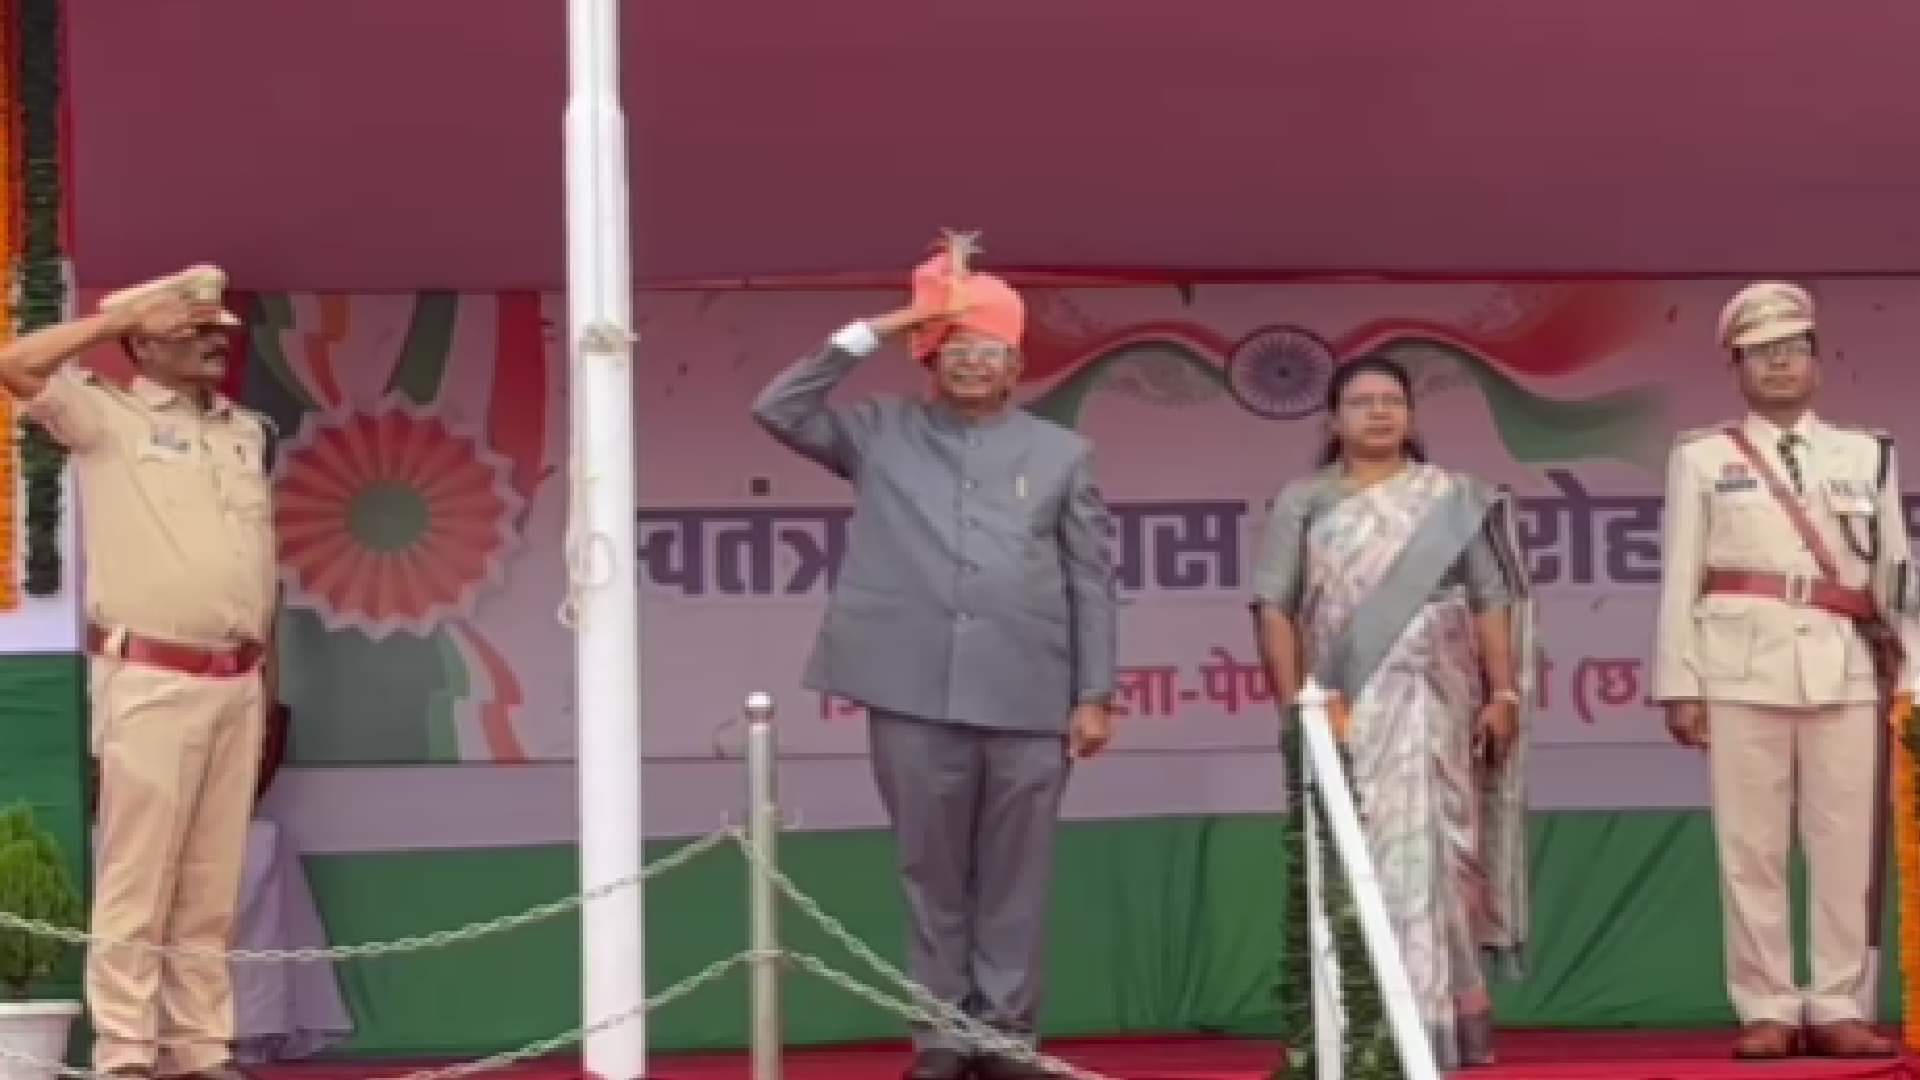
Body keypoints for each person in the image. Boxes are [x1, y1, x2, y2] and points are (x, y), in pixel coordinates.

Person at [751, 235, 1118, 1080]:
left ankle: (1007, 1038)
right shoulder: (879, 432)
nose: (972, 363)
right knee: (931, 873)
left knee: (1016, 879)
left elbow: (1091, 581)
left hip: (1031, 691)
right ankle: (943, 1038)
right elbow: (777, 407)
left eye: (989, 350)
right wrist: (887, 323)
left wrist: (1096, 691)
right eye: (955, 348)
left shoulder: (1063, 455)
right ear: (930, 357)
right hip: (910, 690)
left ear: (1016, 362)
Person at [0, 265, 277, 1080]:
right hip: (151, 674)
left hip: (239, 680)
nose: (212, 341)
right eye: (191, 328)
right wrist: (110, 318)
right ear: (144, 342)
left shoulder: (244, 429)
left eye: (218, 331)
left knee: (209, 883)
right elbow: (15, 365)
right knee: (139, 877)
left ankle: (199, 1049)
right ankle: (126, 1052)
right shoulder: (107, 415)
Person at [1652, 282, 1916, 1060]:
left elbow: (1897, 572)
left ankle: (1838, 1002)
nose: (1778, 366)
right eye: (1760, 355)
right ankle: (1765, 1003)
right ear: (1735, 368)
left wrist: (1913, 676)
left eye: (1792, 350)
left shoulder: (1867, 453)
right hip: (1740, 663)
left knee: (1846, 843)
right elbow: (1680, 574)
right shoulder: (1703, 457)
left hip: (1845, 663)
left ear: (1817, 361)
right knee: (1751, 846)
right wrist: (1680, 681)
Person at [1250, 355, 1533, 1069]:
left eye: (1392, 401)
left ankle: (1448, 1025)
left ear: (1411, 415)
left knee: (1450, 862)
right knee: (1363, 857)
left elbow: (1491, 597)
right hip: (1349, 710)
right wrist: (1297, 710)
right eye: (1362, 401)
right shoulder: (1304, 501)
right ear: (1332, 420)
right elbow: (1273, 605)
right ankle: (1369, 1027)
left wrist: (1502, 693)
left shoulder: (1451, 499)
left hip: (1444, 708)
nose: (1379, 413)